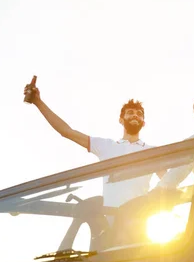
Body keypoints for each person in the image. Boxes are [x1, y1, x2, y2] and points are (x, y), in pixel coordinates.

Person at [24, 83, 156, 207]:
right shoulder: (106, 146)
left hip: (140, 224)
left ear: (143, 123)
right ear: (121, 120)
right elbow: (66, 131)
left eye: (139, 114)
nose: (135, 116)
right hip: (111, 225)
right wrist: (38, 102)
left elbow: (169, 183)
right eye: (130, 112)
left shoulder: (154, 152)